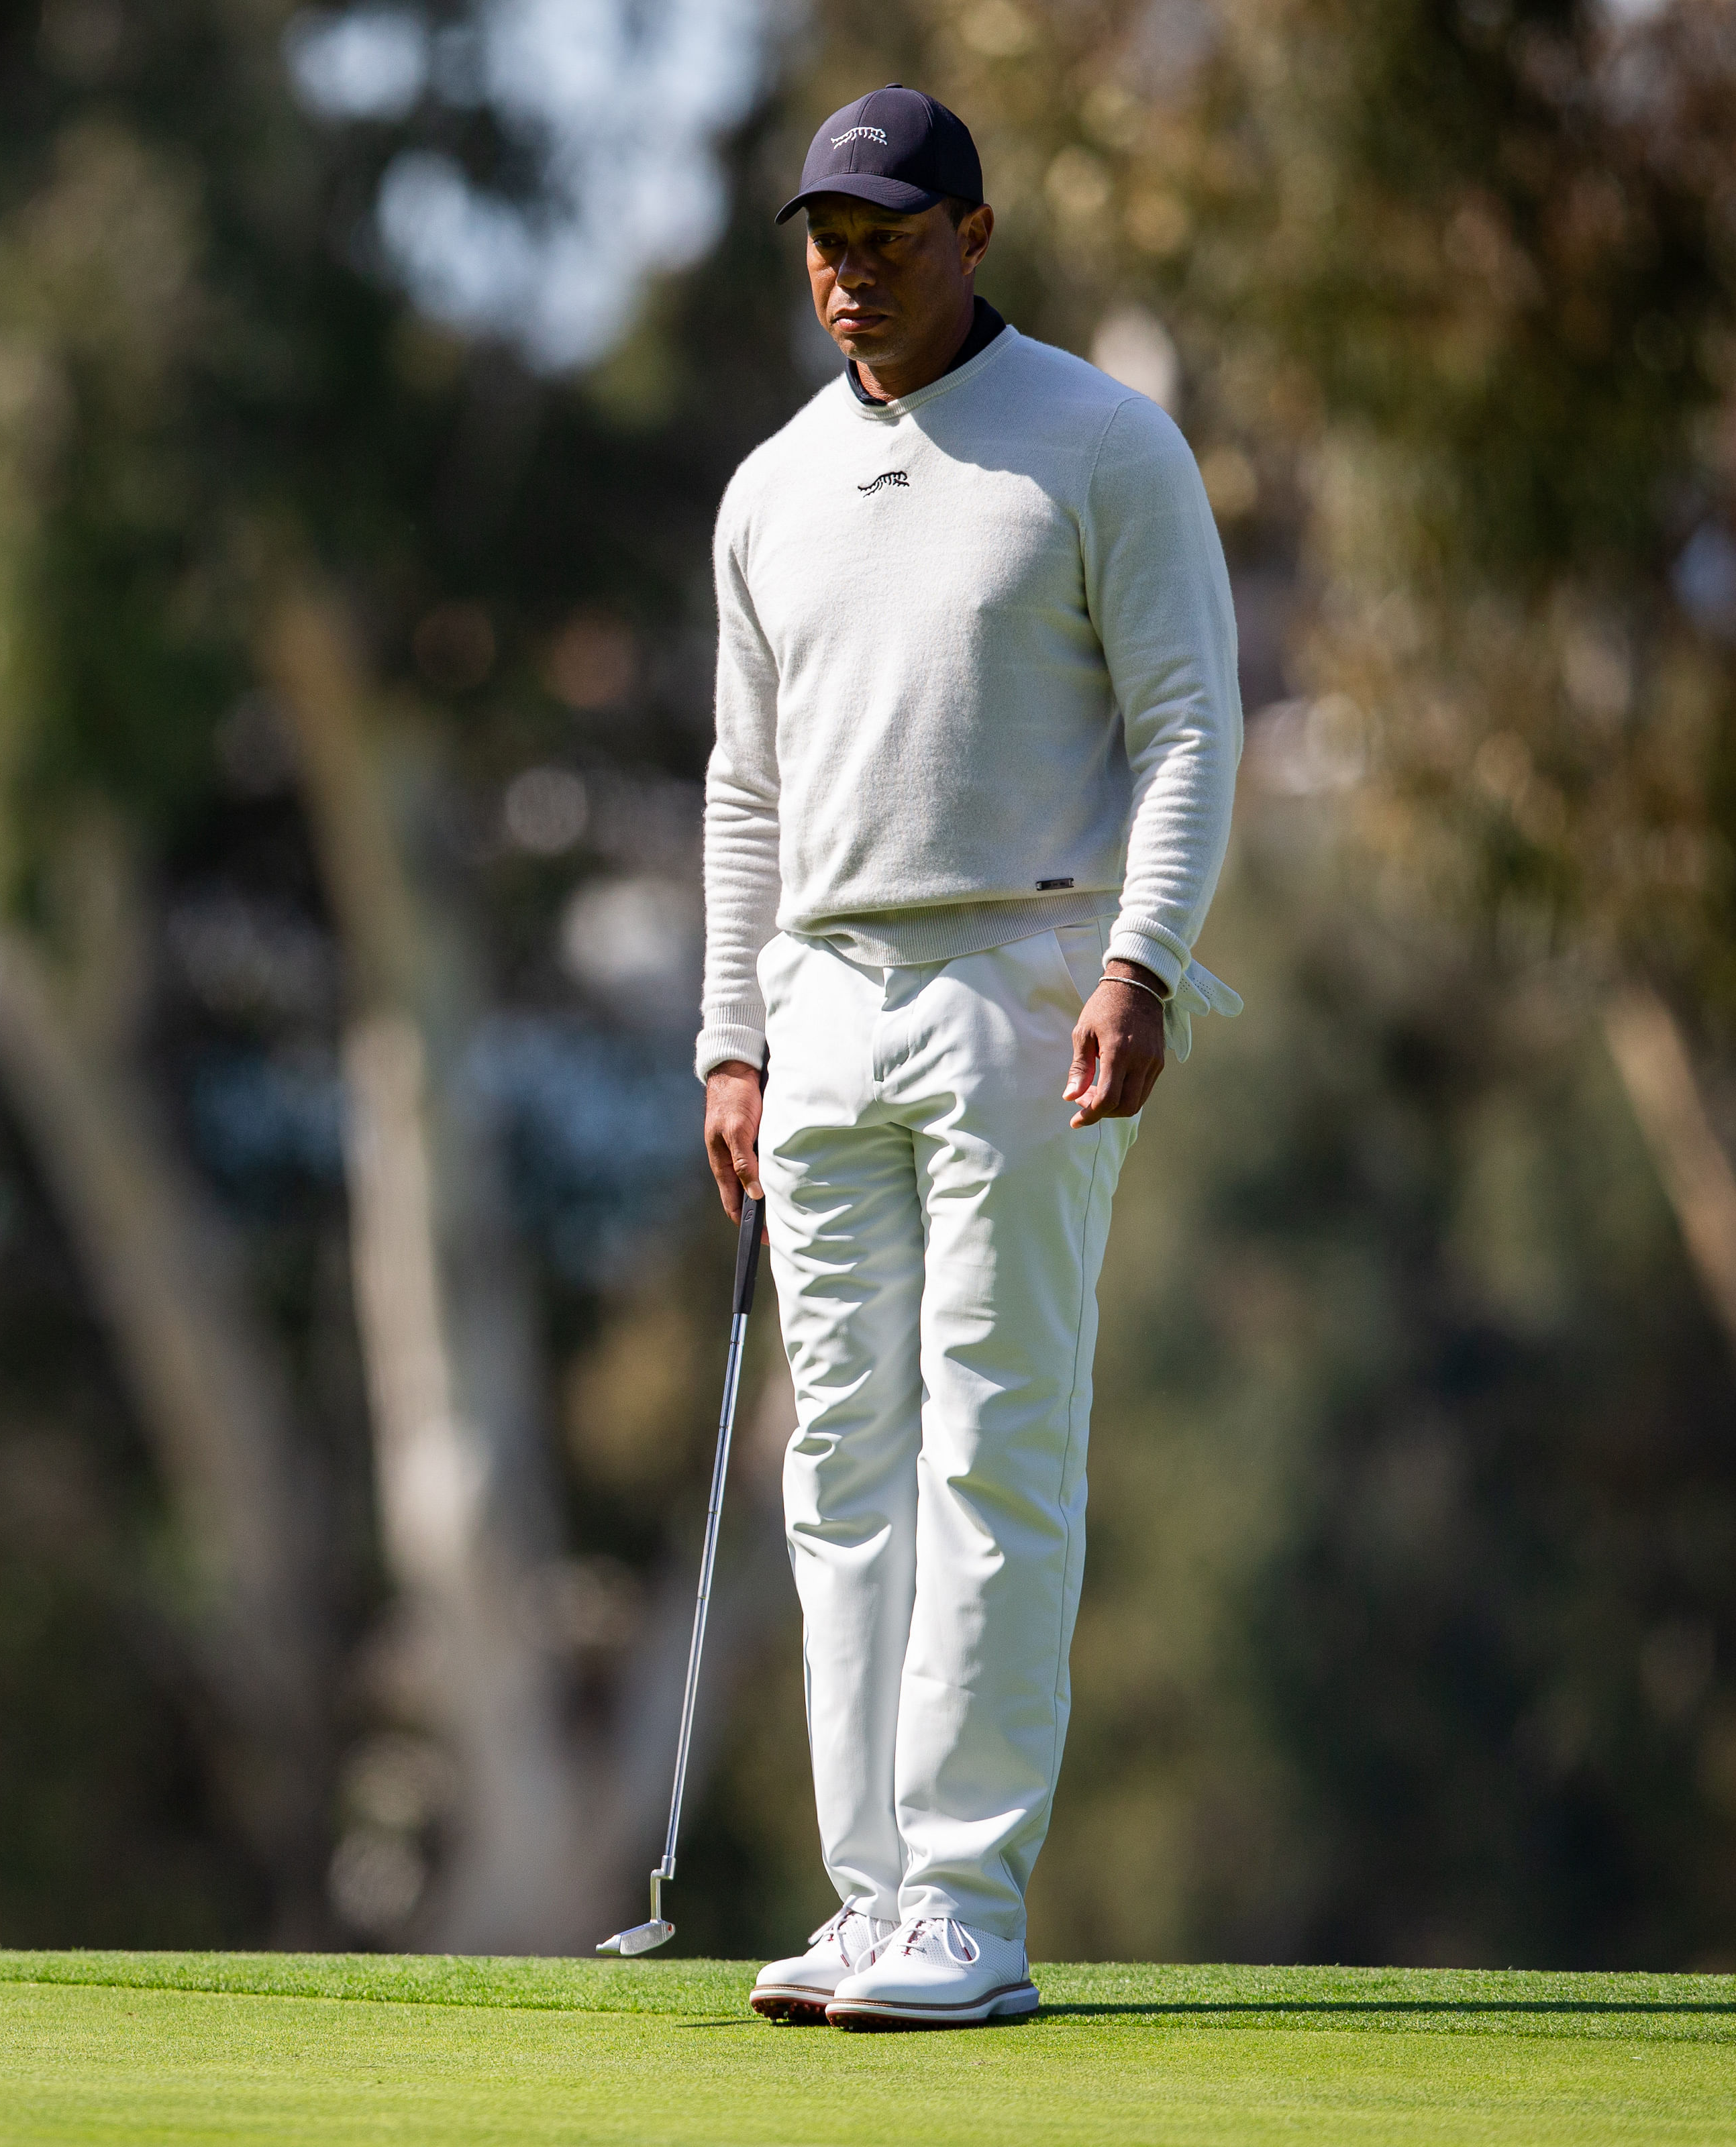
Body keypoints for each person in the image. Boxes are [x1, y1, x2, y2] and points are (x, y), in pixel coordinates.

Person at [699, 83, 1243, 2030]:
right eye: (830, 245)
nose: (852, 277)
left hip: (1028, 984)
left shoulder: (1101, 446)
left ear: (977, 237)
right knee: (840, 1464)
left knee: (996, 1442)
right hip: (823, 1008)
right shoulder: (769, 487)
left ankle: (969, 1905)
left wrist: (1143, 962)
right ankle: (869, 1900)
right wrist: (727, 1039)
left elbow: (1190, 725)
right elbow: (742, 790)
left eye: (892, 241)